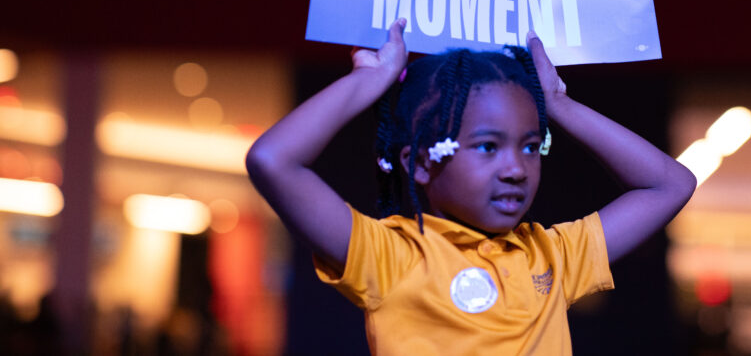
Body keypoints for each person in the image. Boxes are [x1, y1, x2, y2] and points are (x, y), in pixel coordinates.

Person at [246, 19, 696, 355]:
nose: (517, 168)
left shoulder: (553, 255)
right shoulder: (391, 256)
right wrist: (369, 80)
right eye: (487, 147)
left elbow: (670, 184)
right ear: (421, 163)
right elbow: (273, 160)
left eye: (530, 147)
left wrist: (559, 104)